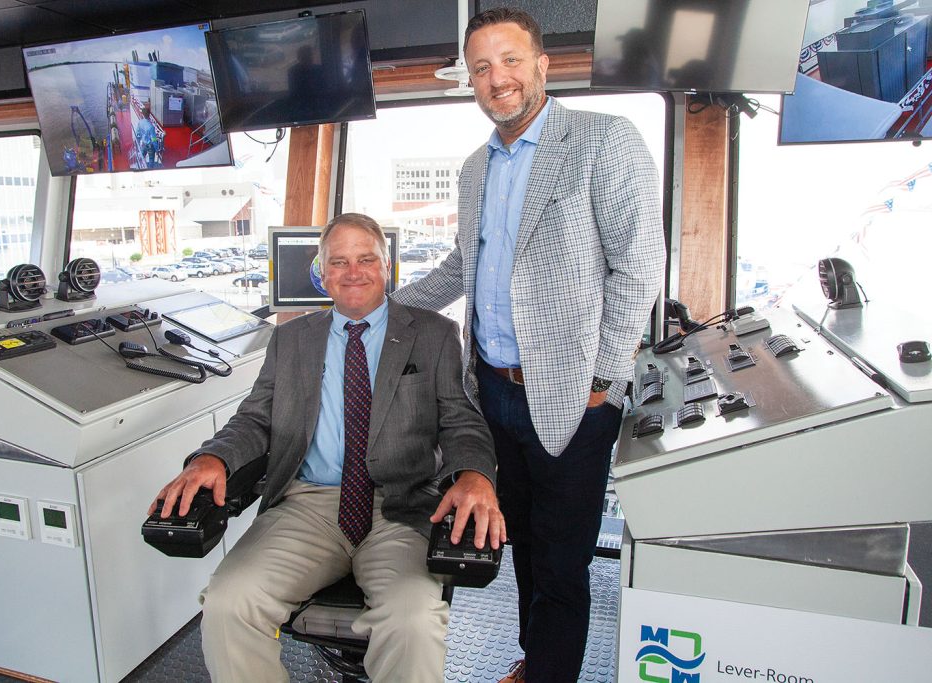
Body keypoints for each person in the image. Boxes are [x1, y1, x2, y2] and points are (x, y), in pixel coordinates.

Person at [393, 7, 666, 683]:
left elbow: (639, 267)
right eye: (482, 67)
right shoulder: (473, 168)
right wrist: (379, 307)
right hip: (491, 393)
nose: (497, 79)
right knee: (518, 545)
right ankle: (533, 659)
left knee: (564, 563)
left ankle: (550, 675)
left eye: (511, 60)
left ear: (543, 65)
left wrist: (603, 382)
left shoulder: (606, 140)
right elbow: (462, 267)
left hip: (576, 395)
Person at [150, 212, 506, 683]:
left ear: (387, 266)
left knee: (413, 620)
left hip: (400, 506)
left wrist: (476, 476)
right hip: (307, 507)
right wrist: (212, 458)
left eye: (365, 259)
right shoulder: (291, 339)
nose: (353, 272)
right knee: (229, 603)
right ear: (322, 272)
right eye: (338, 262)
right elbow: (255, 419)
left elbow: (462, 422)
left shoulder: (434, 334)